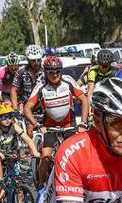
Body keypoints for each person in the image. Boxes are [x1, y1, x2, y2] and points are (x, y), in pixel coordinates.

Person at [23, 55, 90, 185]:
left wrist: (83, 122)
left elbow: (84, 100)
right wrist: (36, 124)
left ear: (61, 71)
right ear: (46, 72)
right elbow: (27, 108)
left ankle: (81, 183)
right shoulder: (41, 87)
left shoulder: (68, 82)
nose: (55, 75)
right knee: (46, 156)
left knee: (76, 157)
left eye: (57, 71)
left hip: (69, 125)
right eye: (51, 72)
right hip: (49, 128)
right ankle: (41, 184)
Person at [11, 44, 44, 113]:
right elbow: (13, 90)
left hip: (44, 106)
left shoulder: (46, 71)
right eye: (33, 61)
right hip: (26, 106)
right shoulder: (21, 71)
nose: (36, 63)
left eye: (38, 60)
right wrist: (15, 110)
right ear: (28, 60)